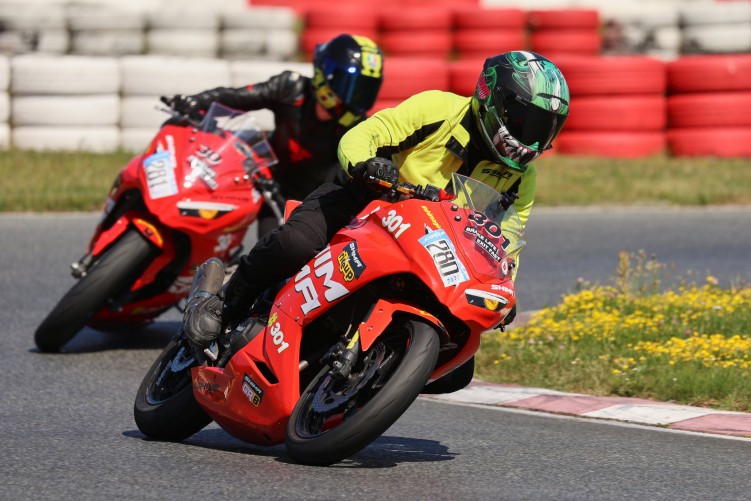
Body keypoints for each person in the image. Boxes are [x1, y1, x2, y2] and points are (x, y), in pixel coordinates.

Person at [184, 50, 570, 393]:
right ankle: (223, 304)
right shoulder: (437, 108)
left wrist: (504, 286)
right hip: (364, 201)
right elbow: (365, 134)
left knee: (458, 365)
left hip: (429, 246)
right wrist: (368, 165)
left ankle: (368, 379)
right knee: (296, 244)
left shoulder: (522, 178)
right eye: (525, 123)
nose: (533, 140)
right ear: (493, 101)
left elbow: (506, 239)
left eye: (545, 130)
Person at [166, 33, 384, 237]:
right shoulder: (290, 87)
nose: (354, 99)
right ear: (326, 75)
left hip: (307, 206)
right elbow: (236, 97)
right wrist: (197, 101)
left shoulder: (358, 129)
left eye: (363, 91)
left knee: (275, 251)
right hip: (264, 182)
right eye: (350, 87)